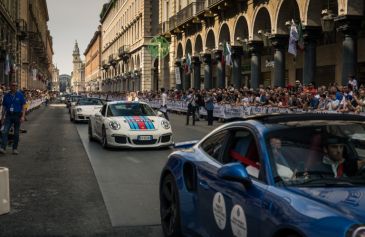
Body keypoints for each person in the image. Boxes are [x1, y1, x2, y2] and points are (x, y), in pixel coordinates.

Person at [0, 82, 26, 155]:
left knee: (16, 133)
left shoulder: (20, 95)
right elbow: (4, 107)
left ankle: (15, 149)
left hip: (17, 115)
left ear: (17, 87)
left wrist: (23, 116)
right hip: (8, 115)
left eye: (15, 86)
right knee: (5, 131)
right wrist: (2, 117)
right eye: (12, 85)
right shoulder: (6, 95)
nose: (14, 87)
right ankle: (3, 148)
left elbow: (24, 106)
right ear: (10, 86)